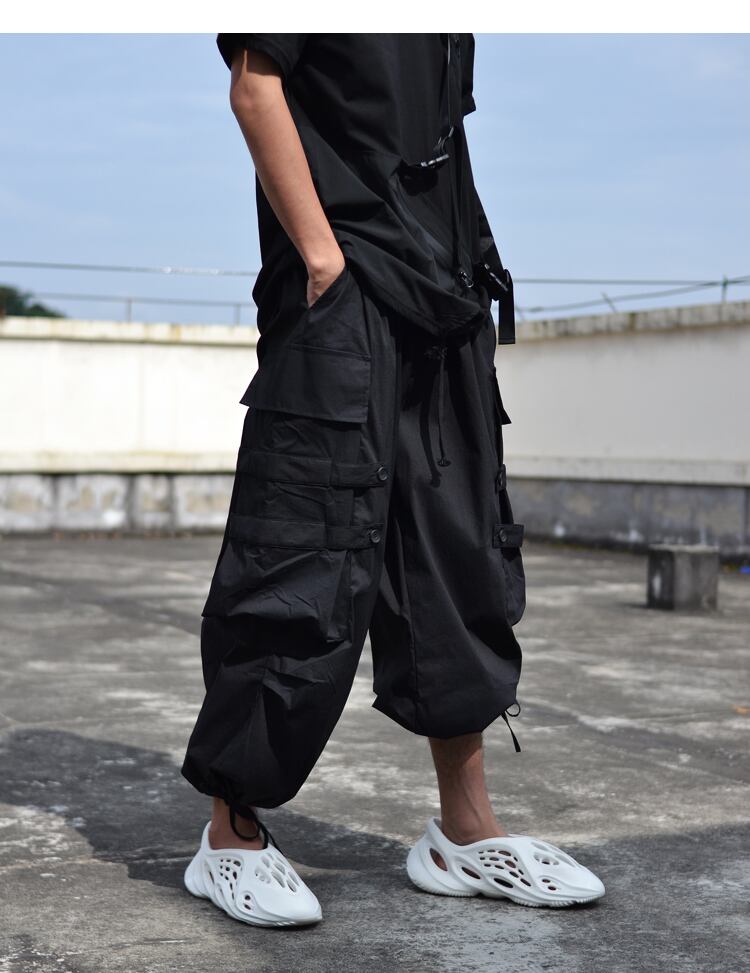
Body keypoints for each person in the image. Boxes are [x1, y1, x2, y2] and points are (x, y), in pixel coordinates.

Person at [181, 33, 605, 927]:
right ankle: (230, 835)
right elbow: (256, 88)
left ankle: (464, 832)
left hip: (442, 295)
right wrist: (323, 261)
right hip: (343, 295)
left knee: (458, 561)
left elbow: (434, 136)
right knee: (303, 555)